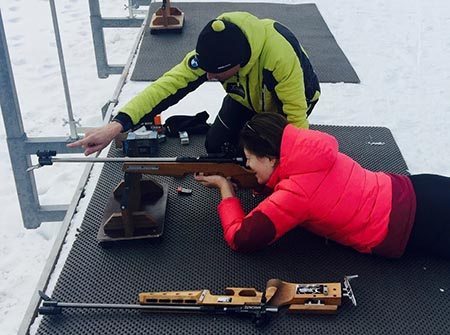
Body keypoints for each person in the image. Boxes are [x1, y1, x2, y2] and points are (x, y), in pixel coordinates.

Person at [194, 113, 450, 259]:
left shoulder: (296, 193)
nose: (248, 165)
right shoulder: (309, 149)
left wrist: (224, 188)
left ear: (270, 157)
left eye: (250, 158)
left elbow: (242, 238)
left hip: (411, 226)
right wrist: (260, 183)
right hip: (414, 188)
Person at [68, 12, 320, 155]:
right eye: (206, 71)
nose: (208, 77)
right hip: (246, 97)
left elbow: (296, 118)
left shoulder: (279, 59)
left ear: (239, 64)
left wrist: (296, 165)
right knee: (216, 146)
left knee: (268, 154)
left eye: (215, 74)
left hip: (288, 102)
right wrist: (115, 126)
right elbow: (164, 87)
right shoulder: (215, 51)